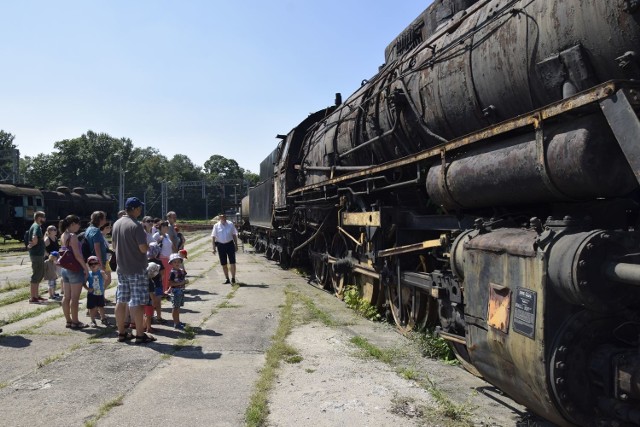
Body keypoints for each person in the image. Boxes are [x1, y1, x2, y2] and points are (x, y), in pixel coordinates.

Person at [112, 197, 156, 344]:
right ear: (135, 209)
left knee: (121, 300)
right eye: (140, 208)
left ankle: (122, 333)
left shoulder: (117, 224)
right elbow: (143, 248)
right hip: (136, 269)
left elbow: (113, 247)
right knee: (137, 302)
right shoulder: (136, 226)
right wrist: (151, 247)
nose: (141, 211)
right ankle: (139, 335)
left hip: (121, 269)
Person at [59, 215, 90, 329]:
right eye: (78, 224)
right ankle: (76, 322)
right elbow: (77, 255)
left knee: (66, 297)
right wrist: (85, 268)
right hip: (75, 269)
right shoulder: (73, 236)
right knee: (75, 298)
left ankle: (68, 320)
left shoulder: (63, 234)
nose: (79, 226)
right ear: (72, 224)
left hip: (65, 269)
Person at [211, 213, 239, 284]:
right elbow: (213, 237)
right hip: (221, 245)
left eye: (224, 216)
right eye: (221, 217)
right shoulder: (216, 226)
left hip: (230, 244)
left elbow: (234, 235)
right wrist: (213, 248)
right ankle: (227, 278)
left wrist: (236, 245)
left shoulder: (230, 224)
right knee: (224, 264)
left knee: (232, 262)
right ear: (219, 217)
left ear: (226, 217)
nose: (223, 218)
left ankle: (233, 278)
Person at [27, 211, 47, 303]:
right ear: (39, 218)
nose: (45, 219)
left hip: (38, 254)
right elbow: (35, 237)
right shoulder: (36, 226)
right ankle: (33, 297)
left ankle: (36, 295)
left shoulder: (36, 226)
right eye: (44, 218)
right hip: (37, 255)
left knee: (39, 274)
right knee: (36, 275)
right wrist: (33, 244)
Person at [85, 256, 108, 327]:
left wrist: (104, 274)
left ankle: (103, 318)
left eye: (95, 263)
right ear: (89, 266)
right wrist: (88, 288)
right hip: (92, 294)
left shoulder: (100, 272)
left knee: (101, 306)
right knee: (92, 308)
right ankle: (92, 320)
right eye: (91, 264)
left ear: (99, 264)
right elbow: (83, 282)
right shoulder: (89, 274)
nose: (93, 265)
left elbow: (106, 279)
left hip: (100, 293)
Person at [168, 253, 188, 330]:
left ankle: (178, 321)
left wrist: (184, 281)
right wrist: (181, 283)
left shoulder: (181, 270)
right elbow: (170, 283)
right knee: (175, 307)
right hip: (175, 291)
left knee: (178, 307)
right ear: (171, 263)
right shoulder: (172, 272)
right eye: (175, 262)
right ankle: (176, 323)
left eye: (178, 262)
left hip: (180, 290)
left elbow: (183, 276)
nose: (177, 263)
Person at [152, 221, 173, 294]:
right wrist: (159, 240)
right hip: (161, 258)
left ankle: (166, 289)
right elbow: (153, 246)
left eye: (167, 226)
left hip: (168, 258)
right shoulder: (157, 235)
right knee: (163, 275)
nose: (166, 228)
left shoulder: (167, 235)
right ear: (160, 227)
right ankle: (162, 291)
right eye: (164, 226)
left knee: (169, 275)